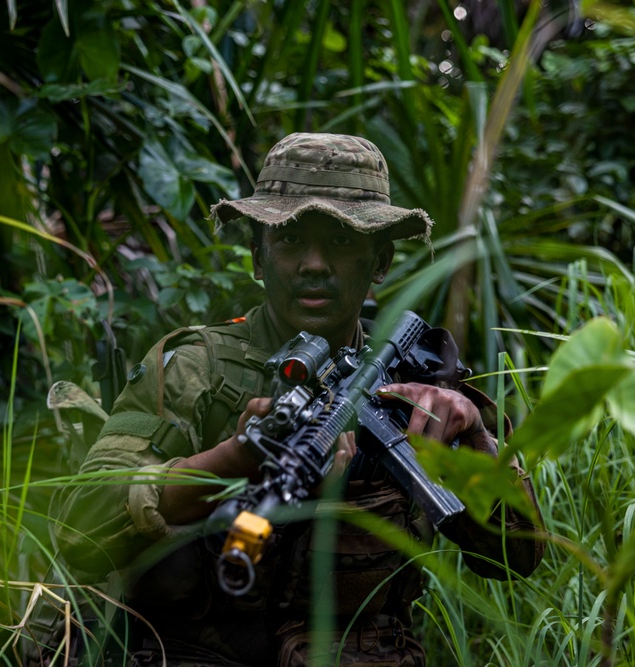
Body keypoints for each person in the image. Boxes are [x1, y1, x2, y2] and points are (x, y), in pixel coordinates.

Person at [55, 133, 544, 666]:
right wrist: (232, 460)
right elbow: (80, 526)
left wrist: (473, 438)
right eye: (290, 241)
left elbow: (515, 555)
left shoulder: (415, 383)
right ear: (258, 257)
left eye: (340, 242)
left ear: (379, 262)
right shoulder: (199, 369)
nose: (314, 264)